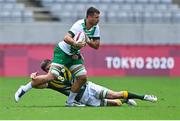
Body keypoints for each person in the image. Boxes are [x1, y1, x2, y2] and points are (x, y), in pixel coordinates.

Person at [19, 6, 101, 106]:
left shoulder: (96, 28)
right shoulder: (79, 25)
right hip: (62, 51)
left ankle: (70, 102)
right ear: (89, 17)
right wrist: (75, 43)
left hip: (74, 54)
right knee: (52, 76)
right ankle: (24, 88)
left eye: (98, 17)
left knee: (82, 77)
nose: (98, 19)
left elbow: (96, 45)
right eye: (96, 17)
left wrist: (87, 40)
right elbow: (66, 38)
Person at [15, 59, 157, 107]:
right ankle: (125, 101)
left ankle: (144, 97)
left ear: (54, 64)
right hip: (84, 99)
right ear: (46, 71)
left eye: (51, 66)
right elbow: (39, 85)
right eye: (47, 69)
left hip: (89, 88)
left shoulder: (65, 65)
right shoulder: (50, 81)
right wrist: (34, 79)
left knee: (114, 94)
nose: (51, 69)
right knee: (116, 103)